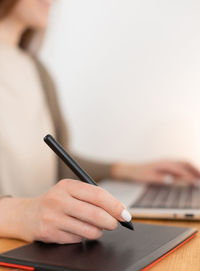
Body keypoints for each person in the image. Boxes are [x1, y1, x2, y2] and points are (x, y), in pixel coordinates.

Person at [0, 0, 200, 244]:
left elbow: (56, 162)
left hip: (45, 245)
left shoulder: (37, 71)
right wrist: (19, 214)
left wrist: (126, 170)